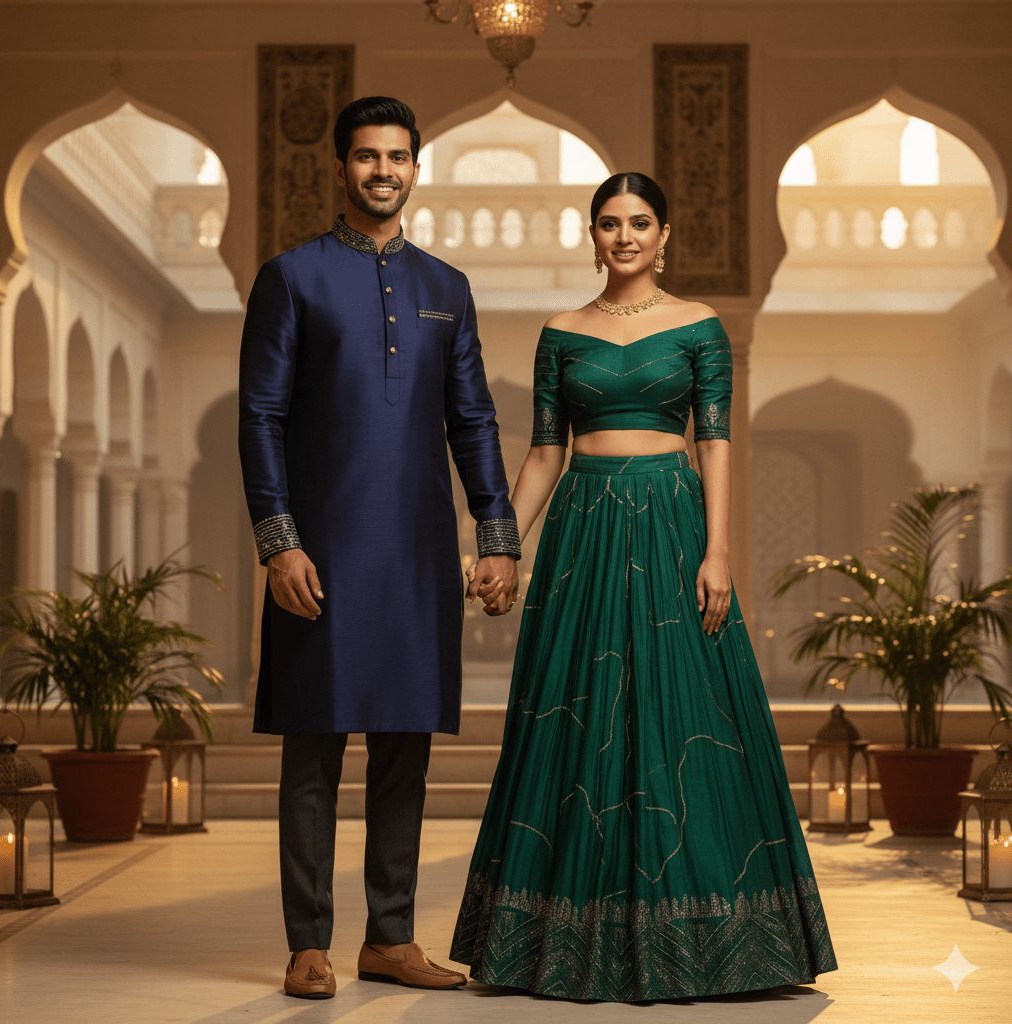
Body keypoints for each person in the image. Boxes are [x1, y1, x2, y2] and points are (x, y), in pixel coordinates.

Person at [451, 172, 839, 1001]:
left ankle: (711, 939)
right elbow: (546, 452)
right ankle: (553, 941)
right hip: (584, 531)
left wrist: (717, 551)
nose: (623, 236)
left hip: (671, 524)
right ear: (591, 236)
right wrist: (499, 546)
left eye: (638, 222)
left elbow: (716, 443)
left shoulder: (700, 325)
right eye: (608, 223)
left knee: (685, 712)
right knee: (575, 709)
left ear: (664, 236)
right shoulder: (562, 332)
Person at [238, 96, 520, 1000]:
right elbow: (261, 417)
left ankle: (390, 938)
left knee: (405, 746)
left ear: (416, 168)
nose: (383, 171)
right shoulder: (292, 278)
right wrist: (278, 542)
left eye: (397, 157)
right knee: (314, 745)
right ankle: (308, 945)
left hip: (417, 555)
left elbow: (472, 419)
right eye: (367, 156)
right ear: (340, 168)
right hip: (320, 551)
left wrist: (498, 535)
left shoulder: (447, 287)